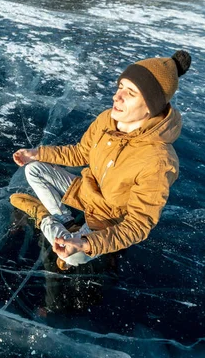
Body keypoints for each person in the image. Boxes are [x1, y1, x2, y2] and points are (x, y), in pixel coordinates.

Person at [10, 50, 191, 270]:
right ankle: (66, 222)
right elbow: (80, 153)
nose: (117, 96)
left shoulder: (158, 161)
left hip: (108, 218)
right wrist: (37, 154)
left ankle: (45, 219)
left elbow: (138, 225)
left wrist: (85, 243)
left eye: (131, 92)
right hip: (86, 192)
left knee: (72, 258)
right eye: (120, 87)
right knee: (34, 169)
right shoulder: (108, 119)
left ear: (150, 107)